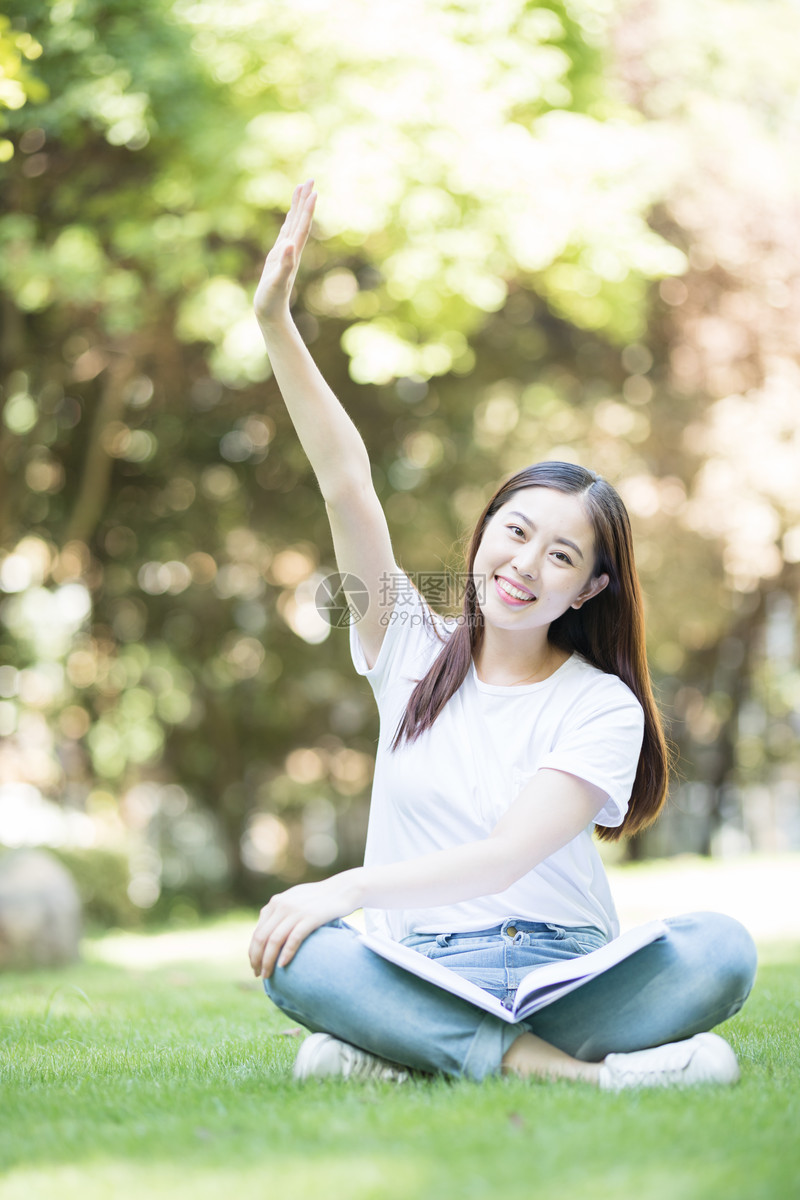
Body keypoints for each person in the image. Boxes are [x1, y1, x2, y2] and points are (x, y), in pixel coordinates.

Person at [247, 180, 757, 1088]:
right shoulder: (405, 641)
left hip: (569, 970)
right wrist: (278, 324)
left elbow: (506, 857)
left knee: (721, 950)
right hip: (429, 963)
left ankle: (417, 1054)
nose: (525, 566)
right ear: (485, 532)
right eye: (516, 532)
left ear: (590, 587)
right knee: (299, 954)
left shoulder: (603, 704)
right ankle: (572, 1076)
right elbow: (346, 483)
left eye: (561, 556)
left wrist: (349, 886)